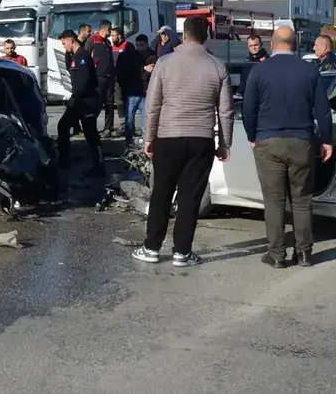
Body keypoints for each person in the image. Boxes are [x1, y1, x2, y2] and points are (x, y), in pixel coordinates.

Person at [132, 16, 234, 267]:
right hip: (201, 139)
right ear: (206, 35)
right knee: (190, 196)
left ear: (183, 34)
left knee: (161, 194)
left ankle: (152, 248)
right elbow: (226, 110)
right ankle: (182, 252)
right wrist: (225, 143)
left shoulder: (164, 63)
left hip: (168, 137)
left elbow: (153, 104)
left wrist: (149, 137)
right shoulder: (217, 67)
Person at [241, 26, 333, 268]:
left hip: (268, 141)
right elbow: (322, 110)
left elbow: (248, 109)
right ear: (294, 45)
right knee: (302, 200)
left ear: (271, 44)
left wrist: (252, 136)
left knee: (274, 201)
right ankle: (304, 253)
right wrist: (326, 140)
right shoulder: (309, 69)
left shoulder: (259, 70)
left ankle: (277, 255)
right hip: (302, 141)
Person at [56, 30, 104, 177]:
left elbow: (82, 83)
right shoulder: (75, 56)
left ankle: (99, 165)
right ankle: (64, 161)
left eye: (64, 43)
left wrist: (73, 99)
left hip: (86, 101)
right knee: (63, 126)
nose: (64, 47)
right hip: (79, 100)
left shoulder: (82, 57)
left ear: (71, 40)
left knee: (91, 134)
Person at [116, 33, 156, 146]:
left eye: (142, 45)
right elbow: (129, 71)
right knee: (129, 121)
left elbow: (147, 75)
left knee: (145, 121)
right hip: (133, 91)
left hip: (145, 91)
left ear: (147, 44)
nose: (139, 47)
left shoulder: (151, 55)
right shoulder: (132, 55)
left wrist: (141, 72)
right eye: (137, 45)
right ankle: (129, 143)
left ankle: (146, 143)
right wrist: (143, 69)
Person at [91, 21, 117, 136]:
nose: (111, 33)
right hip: (98, 78)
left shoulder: (107, 42)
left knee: (109, 104)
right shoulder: (93, 40)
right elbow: (86, 56)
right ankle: (91, 128)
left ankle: (108, 128)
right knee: (97, 104)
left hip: (109, 77)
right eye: (110, 30)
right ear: (106, 29)